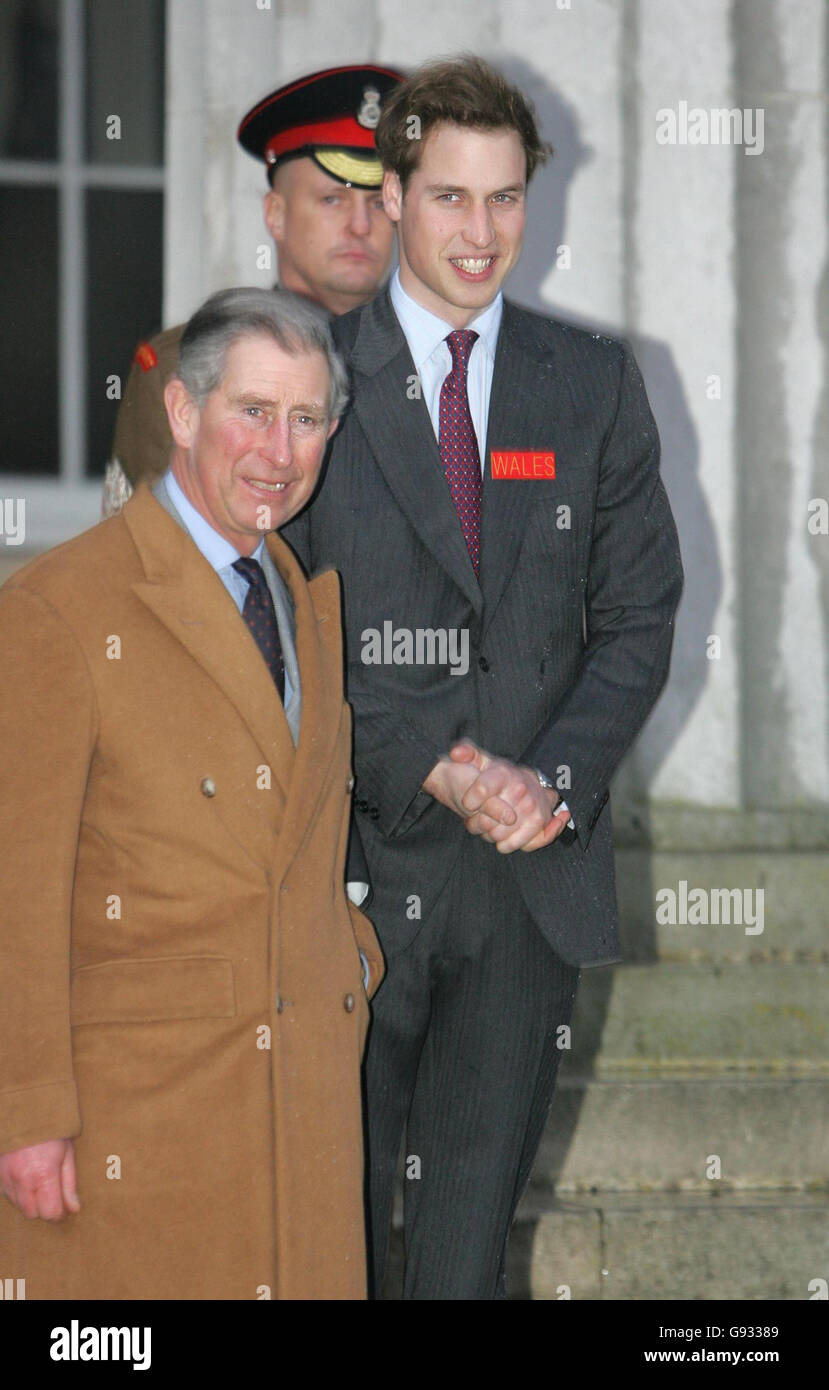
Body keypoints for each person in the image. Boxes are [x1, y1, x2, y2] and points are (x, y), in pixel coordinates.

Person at [281, 56, 684, 1299]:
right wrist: (433, 764)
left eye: (504, 199)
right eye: (449, 197)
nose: (479, 231)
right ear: (394, 195)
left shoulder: (594, 382)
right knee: (335, 1254)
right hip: (344, 882)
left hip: (524, 892)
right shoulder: (309, 377)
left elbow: (638, 613)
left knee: (460, 1269)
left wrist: (548, 778)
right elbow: (287, 625)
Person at [0, 288, 384, 1300]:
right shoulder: (60, 607)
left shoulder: (303, 601)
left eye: (307, 421)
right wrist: (26, 1111)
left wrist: (348, 958)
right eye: (251, 412)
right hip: (142, 1122)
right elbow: (13, 888)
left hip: (299, 1103)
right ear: (181, 414)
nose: (279, 450)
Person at [104, 63, 402, 511]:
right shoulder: (182, 366)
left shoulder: (438, 366)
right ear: (275, 214)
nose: (361, 225)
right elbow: (141, 561)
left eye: (379, 202)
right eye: (332, 200)